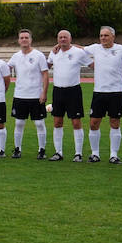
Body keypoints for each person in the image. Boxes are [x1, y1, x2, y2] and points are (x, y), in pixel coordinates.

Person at [82, 26, 122, 163]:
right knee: (93, 123)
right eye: (101, 35)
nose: (103, 38)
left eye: (106, 35)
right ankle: (95, 154)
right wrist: (60, 44)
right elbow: (78, 49)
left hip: (116, 92)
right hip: (99, 92)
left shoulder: (121, 49)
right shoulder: (95, 48)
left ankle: (114, 155)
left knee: (114, 122)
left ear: (113, 37)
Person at [47, 29, 91, 162]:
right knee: (57, 122)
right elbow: (46, 66)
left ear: (70, 39)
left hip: (73, 91)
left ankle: (78, 154)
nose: (62, 39)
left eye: (65, 37)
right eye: (60, 37)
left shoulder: (78, 53)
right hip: (58, 91)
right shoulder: (54, 52)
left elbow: (93, 65)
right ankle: (58, 152)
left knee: (76, 122)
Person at [7, 29, 51, 159]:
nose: (24, 40)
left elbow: (45, 74)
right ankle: (17, 149)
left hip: (36, 95)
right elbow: (5, 69)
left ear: (31, 40)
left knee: (39, 123)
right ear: (19, 40)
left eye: (26, 37)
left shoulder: (39, 55)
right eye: (22, 38)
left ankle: (42, 150)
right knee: (19, 123)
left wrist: (44, 92)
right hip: (20, 95)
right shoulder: (15, 56)